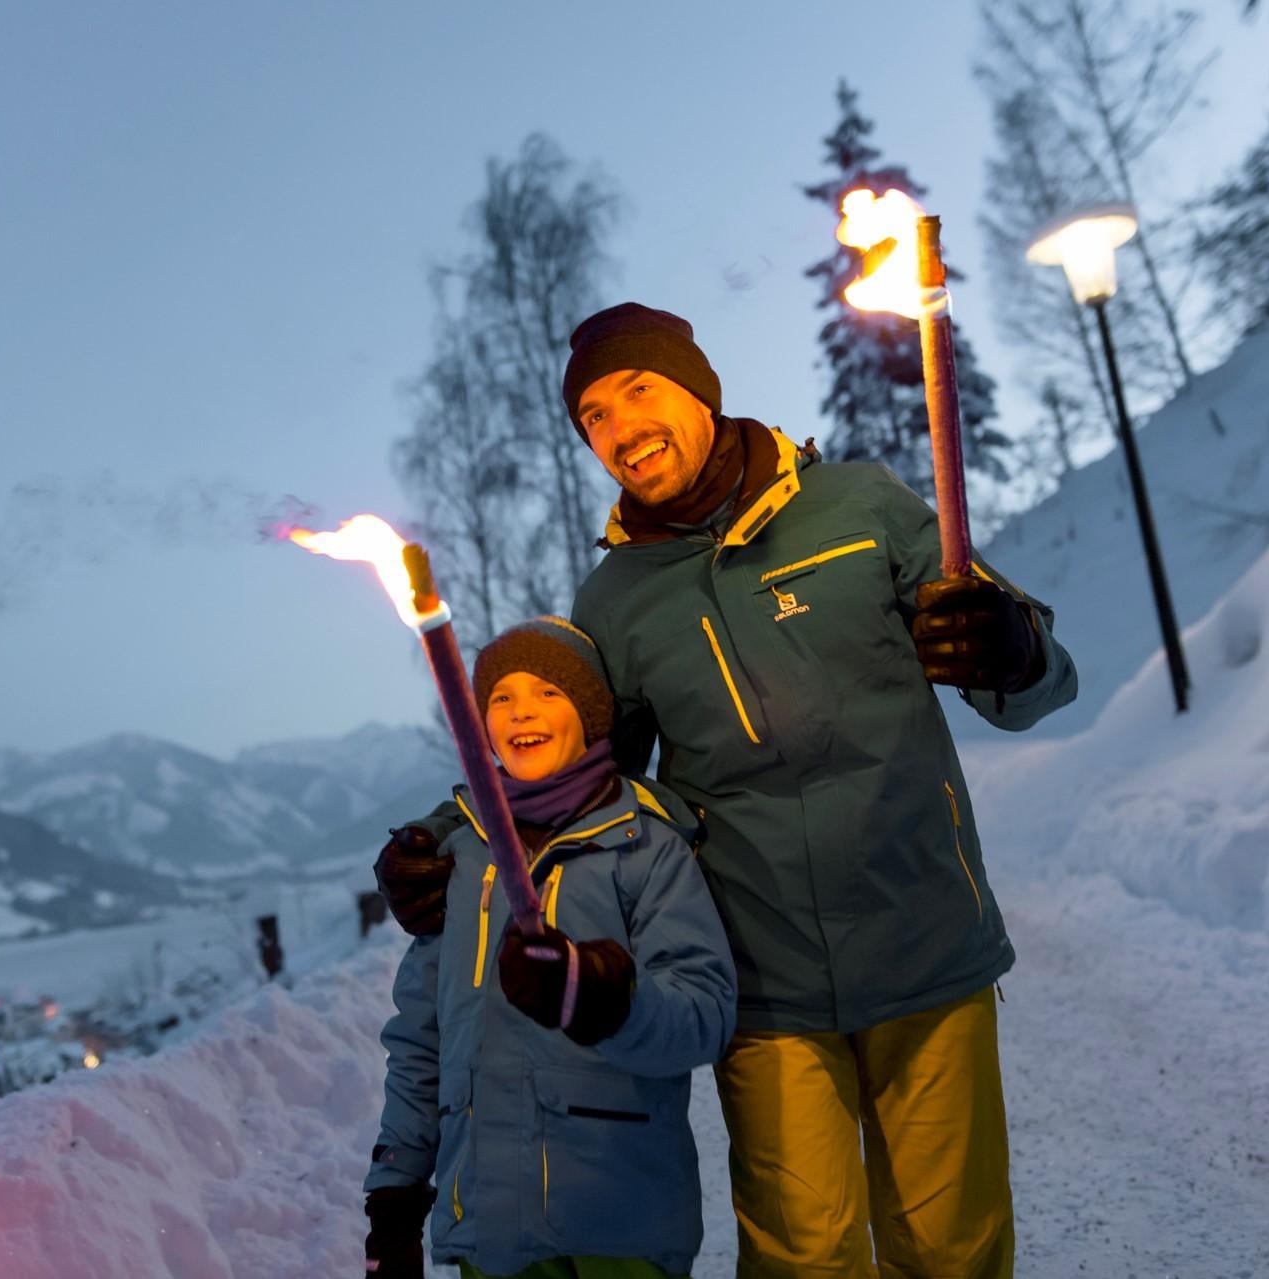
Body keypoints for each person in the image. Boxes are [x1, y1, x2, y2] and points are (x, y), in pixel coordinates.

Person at [375, 303, 1079, 1278]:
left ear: (697, 390)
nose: (618, 429)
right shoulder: (615, 601)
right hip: (765, 985)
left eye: (635, 392)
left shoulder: (859, 508)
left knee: (951, 1251)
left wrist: (1013, 645)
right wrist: (447, 855)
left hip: (926, 947)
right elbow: (573, 787)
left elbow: (1038, 681)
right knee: (802, 1258)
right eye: (591, 418)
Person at [362, 616, 737, 1279]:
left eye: (546, 691)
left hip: (617, 1226)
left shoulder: (644, 845)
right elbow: (421, 1041)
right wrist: (394, 1195)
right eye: (500, 697)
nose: (520, 711)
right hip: (491, 1232)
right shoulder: (458, 858)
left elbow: (703, 1015)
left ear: (589, 714)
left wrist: (606, 1000)